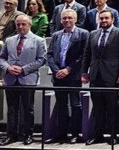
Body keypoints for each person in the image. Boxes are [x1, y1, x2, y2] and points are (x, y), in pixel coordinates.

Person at [81, 10, 119, 145]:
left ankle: (114, 135)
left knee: (112, 107)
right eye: (101, 18)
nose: (103, 21)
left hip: (112, 76)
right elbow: (87, 55)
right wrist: (84, 72)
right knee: (97, 107)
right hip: (95, 75)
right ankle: (98, 135)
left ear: (113, 19)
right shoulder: (93, 34)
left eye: (106, 18)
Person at [0, 15, 46, 146]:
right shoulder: (9, 40)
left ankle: (28, 135)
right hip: (10, 78)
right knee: (12, 109)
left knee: (28, 109)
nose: (20, 27)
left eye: (23, 24)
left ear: (29, 25)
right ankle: (11, 135)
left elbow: (41, 60)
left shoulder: (39, 40)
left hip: (28, 78)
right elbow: (1, 58)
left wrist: (23, 69)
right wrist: (8, 68)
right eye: (18, 24)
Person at [45, 9, 89, 144]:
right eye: (64, 18)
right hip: (58, 76)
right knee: (61, 105)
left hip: (73, 75)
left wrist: (68, 69)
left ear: (75, 19)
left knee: (76, 105)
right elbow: (50, 54)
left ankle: (75, 133)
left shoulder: (83, 34)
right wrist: (56, 70)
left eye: (70, 18)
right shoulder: (56, 35)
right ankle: (61, 134)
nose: (67, 21)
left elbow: (83, 55)